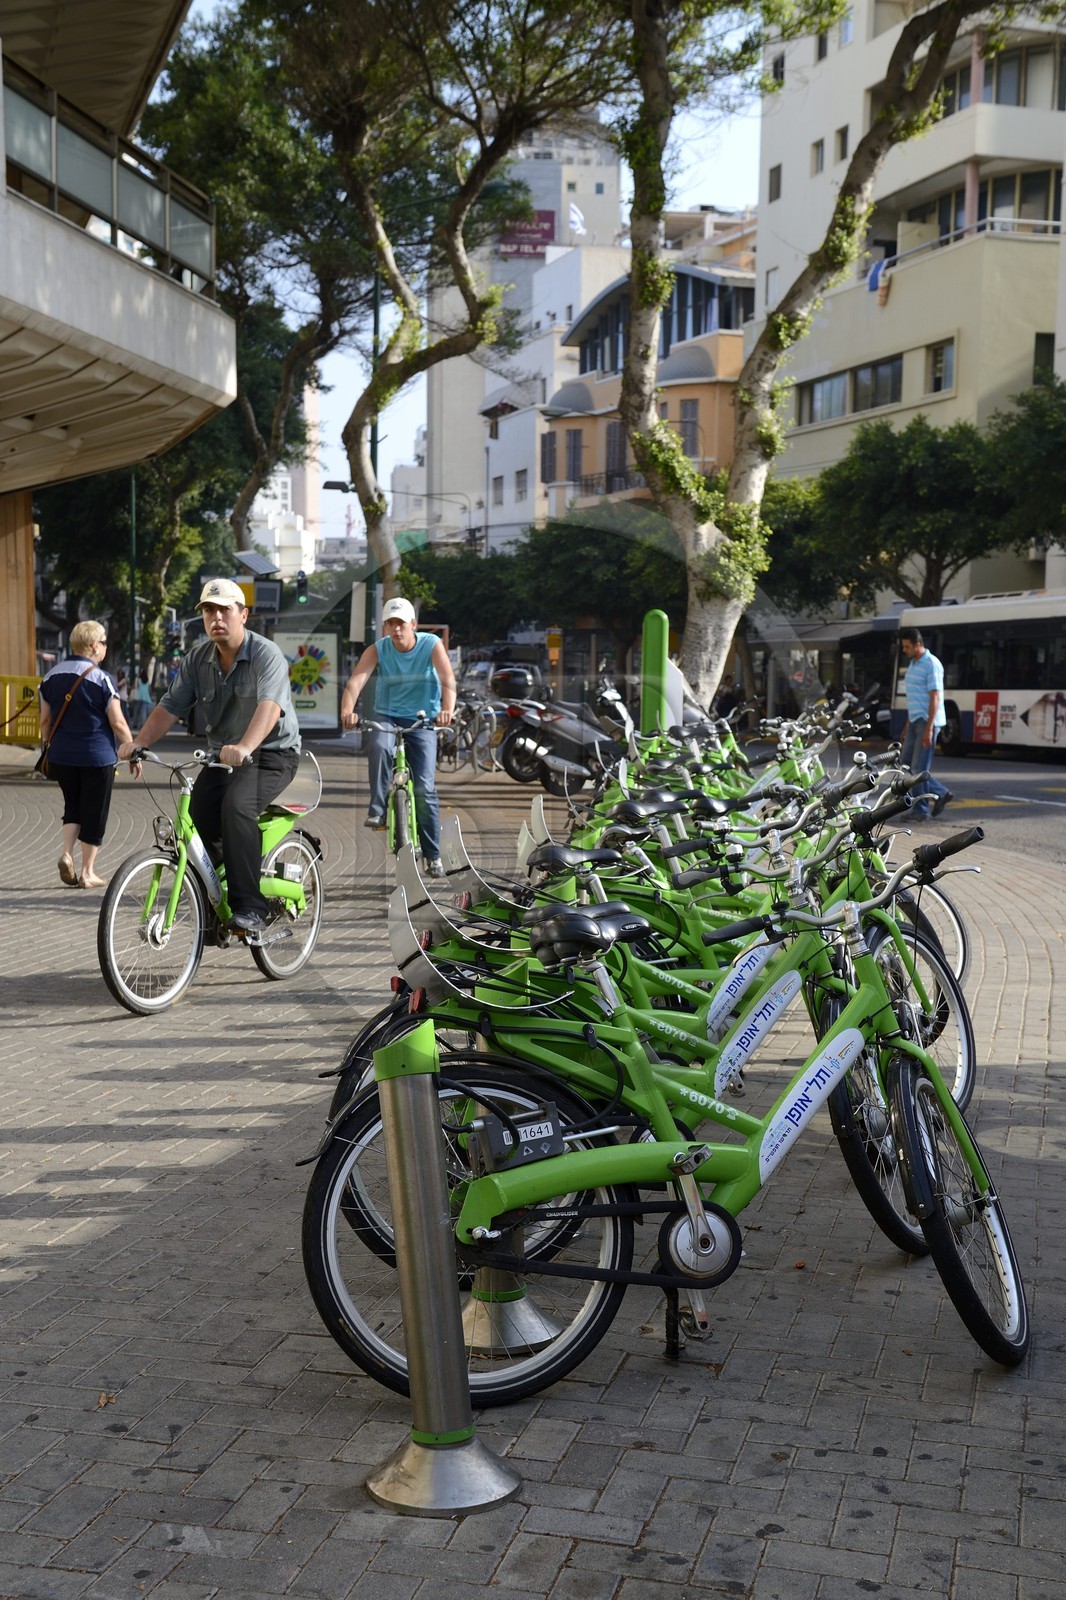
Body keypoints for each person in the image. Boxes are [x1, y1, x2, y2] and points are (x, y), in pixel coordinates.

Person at [119, 578, 301, 934]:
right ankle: (216, 903)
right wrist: (139, 742)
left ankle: (251, 907)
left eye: (224, 610)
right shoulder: (197, 660)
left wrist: (245, 746)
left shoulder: (265, 654)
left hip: (272, 754)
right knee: (197, 815)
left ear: (243, 615)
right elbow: (169, 707)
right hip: (222, 757)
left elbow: (270, 706)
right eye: (208, 611)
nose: (216, 617)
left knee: (236, 806)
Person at [340, 596, 456, 877]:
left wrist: (447, 710)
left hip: (422, 718)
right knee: (380, 746)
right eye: (390, 623)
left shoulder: (431, 644)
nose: (396, 629)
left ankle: (433, 856)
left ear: (413, 625)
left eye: (401, 623)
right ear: (385, 627)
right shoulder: (378, 649)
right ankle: (378, 808)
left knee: (424, 788)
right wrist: (347, 711)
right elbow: (356, 681)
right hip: (387, 714)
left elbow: (447, 679)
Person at [38, 620, 139, 889]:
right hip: (97, 757)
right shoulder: (101, 679)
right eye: (104, 643)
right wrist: (132, 751)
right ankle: (87, 872)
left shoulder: (50, 677)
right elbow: (118, 723)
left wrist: (49, 744)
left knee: (72, 807)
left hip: (61, 756)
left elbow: (45, 721)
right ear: (94, 646)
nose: (105, 647)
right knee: (95, 812)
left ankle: (66, 854)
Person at [899, 626, 952, 821]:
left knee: (918, 768)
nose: (904, 650)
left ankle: (921, 810)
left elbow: (935, 697)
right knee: (905, 764)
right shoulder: (913, 664)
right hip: (914, 720)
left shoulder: (931, 664)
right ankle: (941, 792)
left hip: (927, 721)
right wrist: (907, 724)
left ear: (918, 645)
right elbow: (915, 697)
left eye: (907, 646)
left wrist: (929, 728)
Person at [127, 667, 153, 732]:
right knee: (143, 712)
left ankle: (135, 724)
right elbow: (149, 690)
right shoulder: (147, 681)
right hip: (146, 698)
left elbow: (133, 687)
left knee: (136, 711)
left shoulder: (138, 680)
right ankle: (143, 724)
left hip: (138, 697)